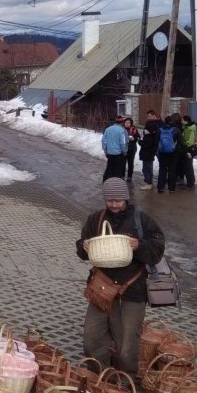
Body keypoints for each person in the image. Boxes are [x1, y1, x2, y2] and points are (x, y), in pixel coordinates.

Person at [76, 178, 165, 373]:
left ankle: (124, 382)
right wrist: (83, 246)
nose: (114, 204)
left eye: (118, 200)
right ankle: (102, 375)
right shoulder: (96, 219)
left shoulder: (141, 220)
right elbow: (82, 250)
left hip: (132, 291)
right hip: (102, 288)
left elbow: (157, 249)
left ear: (126, 198)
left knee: (127, 347)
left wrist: (139, 246)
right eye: (109, 200)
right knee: (91, 340)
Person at [156, 116, 180, 194]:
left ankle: (160, 188)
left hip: (162, 153)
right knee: (172, 170)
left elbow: (156, 141)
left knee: (162, 170)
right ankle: (171, 188)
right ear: (172, 121)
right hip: (173, 153)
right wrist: (185, 151)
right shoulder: (176, 130)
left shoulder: (159, 130)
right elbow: (180, 141)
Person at [138, 110, 160, 191]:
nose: (148, 118)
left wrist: (139, 141)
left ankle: (148, 183)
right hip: (151, 150)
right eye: (147, 116)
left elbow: (146, 143)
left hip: (148, 151)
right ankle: (149, 182)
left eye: (149, 116)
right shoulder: (152, 129)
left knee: (146, 168)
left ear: (154, 115)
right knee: (148, 167)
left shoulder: (151, 134)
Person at [101, 116, 128, 182]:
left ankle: (106, 182)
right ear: (122, 123)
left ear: (115, 122)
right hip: (119, 154)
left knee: (109, 169)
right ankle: (115, 185)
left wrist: (105, 150)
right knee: (117, 171)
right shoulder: (122, 130)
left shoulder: (108, 129)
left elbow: (103, 141)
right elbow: (123, 143)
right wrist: (124, 152)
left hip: (110, 153)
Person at [179, 115, 197, 190]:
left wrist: (185, 149)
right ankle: (190, 183)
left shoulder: (188, 129)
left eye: (182, 120)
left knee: (188, 167)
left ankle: (190, 184)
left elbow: (188, 141)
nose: (181, 121)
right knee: (188, 166)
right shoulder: (190, 127)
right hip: (189, 148)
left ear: (186, 121)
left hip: (188, 149)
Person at [123, 117, 140, 183]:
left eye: (128, 123)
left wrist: (134, 139)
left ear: (131, 123)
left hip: (131, 149)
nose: (127, 124)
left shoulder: (134, 129)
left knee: (130, 163)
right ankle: (122, 176)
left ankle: (129, 176)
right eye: (126, 122)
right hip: (123, 149)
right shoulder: (121, 129)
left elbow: (138, 137)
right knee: (123, 163)